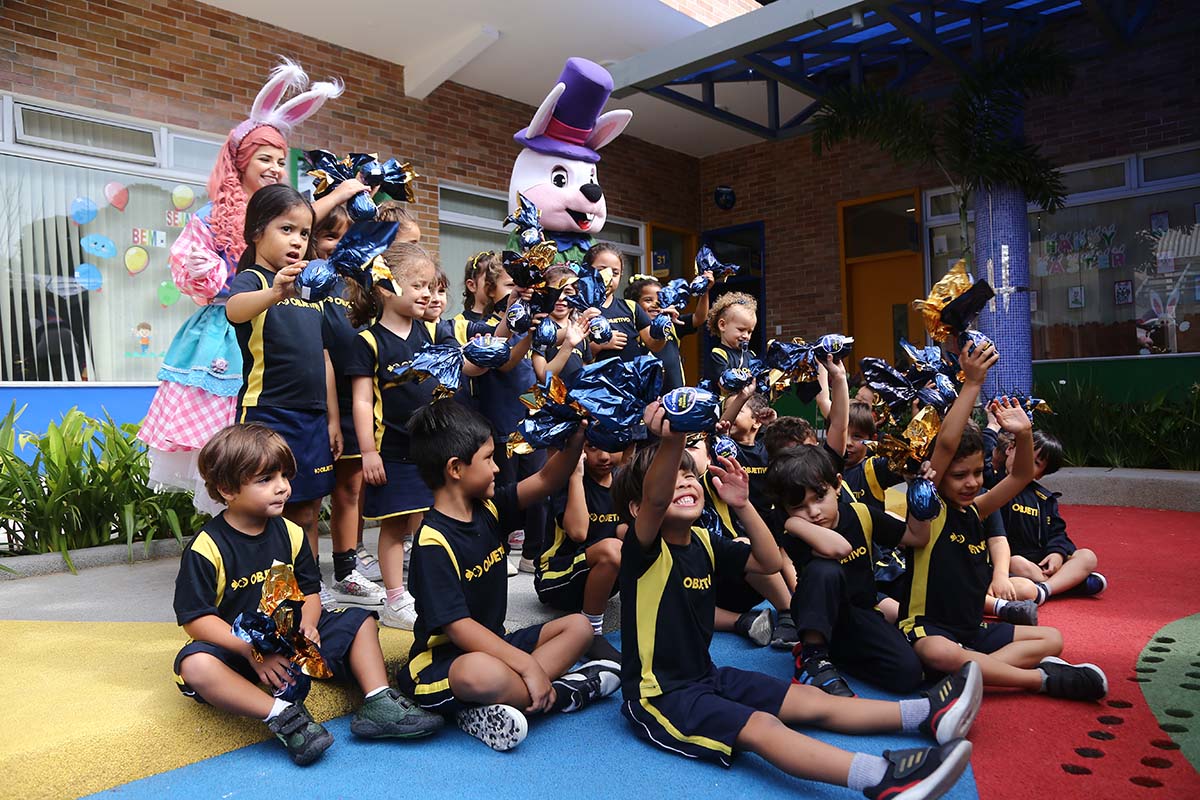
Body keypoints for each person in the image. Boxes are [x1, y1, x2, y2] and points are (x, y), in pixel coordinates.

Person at [613, 405, 979, 798]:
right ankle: (883, 778)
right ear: (638, 509)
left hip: (706, 675)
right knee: (762, 726)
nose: (684, 483)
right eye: (672, 480)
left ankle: (928, 713)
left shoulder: (704, 540)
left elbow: (768, 562)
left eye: (689, 476)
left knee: (810, 699)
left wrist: (742, 504)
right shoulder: (643, 551)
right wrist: (673, 440)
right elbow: (655, 502)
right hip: (660, 696)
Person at [141, 59, 355, 515]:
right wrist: (215, 277)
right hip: (229, 328)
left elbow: (302, 218)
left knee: (267, 456)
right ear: (240, 161)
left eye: (280, 160)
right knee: (233, 444)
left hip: (277, 331)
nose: (275, 168)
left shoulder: (288, 231)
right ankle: (231, 531)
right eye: (264, 159)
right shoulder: (213, 216)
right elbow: (194, 266)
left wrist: (340, 194)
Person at [172, 423, 442, 765]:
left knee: (359, 620)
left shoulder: (291, 533)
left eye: (284, 476)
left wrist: (310, 624)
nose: (282, 487)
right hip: (237, 647)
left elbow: (310, 592)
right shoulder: (206, 547)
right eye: (265, 479)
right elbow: (197, 620)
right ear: (227, 489)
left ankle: (378, 700)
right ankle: (283, 717)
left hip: (291, 639)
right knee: (195, 664)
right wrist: (253, 651)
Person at [398, 401, 620, 750]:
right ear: (455, 468)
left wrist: (578, 434)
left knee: (579, 627)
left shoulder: (488, 508)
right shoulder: (432, 542)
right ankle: (565, 693)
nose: (498, 467)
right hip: (444, 663)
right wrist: (528, 667)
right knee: (481, 672)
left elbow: (547, 479)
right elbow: (459, 628)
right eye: (488, 459)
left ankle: (504, 701)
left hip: (496, 645)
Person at [899, 343, 1108, 701]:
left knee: (1052, 638)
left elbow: (1021, 475)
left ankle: (967, 676)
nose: (972, 483)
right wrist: (972, 383)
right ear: (937, 476)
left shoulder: (976, 510)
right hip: (928, 630)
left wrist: (1024, 434)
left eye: (977, 473)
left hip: (972, 631)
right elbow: (946, 445)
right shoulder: (930, 510)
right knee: (939, 653)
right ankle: (1040, 680)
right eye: (959, 475)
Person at [342, 242, 484, 629]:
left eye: (430, 286)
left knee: (427, 525)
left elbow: (465, 367)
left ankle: (427, 591)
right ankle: (394, 599)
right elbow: (361, 402)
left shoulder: (433, 331)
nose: (427, 294)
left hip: (431, 449)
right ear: (386, 288)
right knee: (394, 526)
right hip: (392, 451)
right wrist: (368, 452)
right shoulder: (368, 341)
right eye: (418, 285)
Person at [225, 185, 340, 604]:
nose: (297, 241)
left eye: (305, 233)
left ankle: (308, 587)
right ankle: (273, 592)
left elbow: (324, 357)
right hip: (267, 416)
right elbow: (234, 309)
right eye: (286, 229)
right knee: (269, 511)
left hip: (312, 420)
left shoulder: (313, 292)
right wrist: (275, 292)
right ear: (257, 231)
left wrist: (332, 418)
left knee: (307, 510)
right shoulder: (255, 281)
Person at [766, 444, 928, 696]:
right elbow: (839, 548)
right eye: (798, 506)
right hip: (817, 615)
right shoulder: (794, 530)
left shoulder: (860, 514)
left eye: (819, 497)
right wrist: (793, 522)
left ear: (838, 485)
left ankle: (832, 654)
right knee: (826, 569)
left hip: (860, 615)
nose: (813, 512)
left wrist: (921, 494)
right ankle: (813, 656)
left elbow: (917, 537)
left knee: (908, 674)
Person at [535, 441, 625, 662]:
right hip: (556, 578)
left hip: (602, 578)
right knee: (611, 549)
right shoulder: (566, 481)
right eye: (592, 447)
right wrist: (575, 475)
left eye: (611, 445)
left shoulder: (623, 482)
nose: (604, 456)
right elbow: (578, 532)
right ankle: (592, 632)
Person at [994, 430, 1107, 602]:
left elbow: (1058, 533)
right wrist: (992, 427)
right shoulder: (992, 484)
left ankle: (1045, 588)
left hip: (1041, 563)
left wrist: (1057, 553)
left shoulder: (1044, 498)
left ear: (1040, 474)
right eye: (1024, 454)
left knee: (1087, 556)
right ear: (1010, 449)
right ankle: (1069, 585)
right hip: (1010, 563)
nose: (1025, 463)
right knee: (1017, 563)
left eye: (1036, 463)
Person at [624, 269, 712, 391]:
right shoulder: (632, 330)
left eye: (660, 300)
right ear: (635, 305)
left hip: (674, 397)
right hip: (645, 398)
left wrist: (704, 291)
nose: (655, 304)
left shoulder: (672, 324)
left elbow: (699, 317)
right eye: (648, 300)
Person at [586, 244, 666, 364]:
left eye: (615, 273)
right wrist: (600, 345)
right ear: (586, 270)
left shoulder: (631, 307)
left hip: (633, 375)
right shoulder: (579, 310)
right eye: (602, 270)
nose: (609, 277)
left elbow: (654, 345)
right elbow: (573, 357)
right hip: (599, 376)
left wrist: (663, 328)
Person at [531, 265, 598, 388]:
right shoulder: (538, 329)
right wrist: (568, 345)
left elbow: (585, 373)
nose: (561, 298)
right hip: (549, 399)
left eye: (567, 292)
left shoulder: (582, 333)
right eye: (555, 292)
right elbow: (544, 377)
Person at [704, 291, 759, 387]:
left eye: (749, 332)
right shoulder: (719, 355)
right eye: (741, 330)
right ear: (722, 325)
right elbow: (725, 385)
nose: (746, 336)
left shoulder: (751, 355)